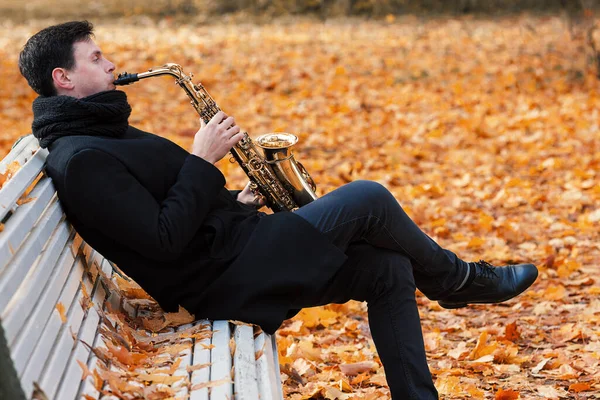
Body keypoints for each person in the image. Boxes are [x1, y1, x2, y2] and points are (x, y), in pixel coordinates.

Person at [18, 21, 538, 399]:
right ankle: (459, 281)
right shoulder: (82, 159)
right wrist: (201, 160)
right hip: (223, 277)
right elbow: (162, 239)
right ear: (64, 79)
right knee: (369, 198)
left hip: (236, 250)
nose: (111, 65)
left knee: (388, 268)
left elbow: (160, 206)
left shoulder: (98, 132)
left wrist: (232, 200)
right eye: (96, 59)